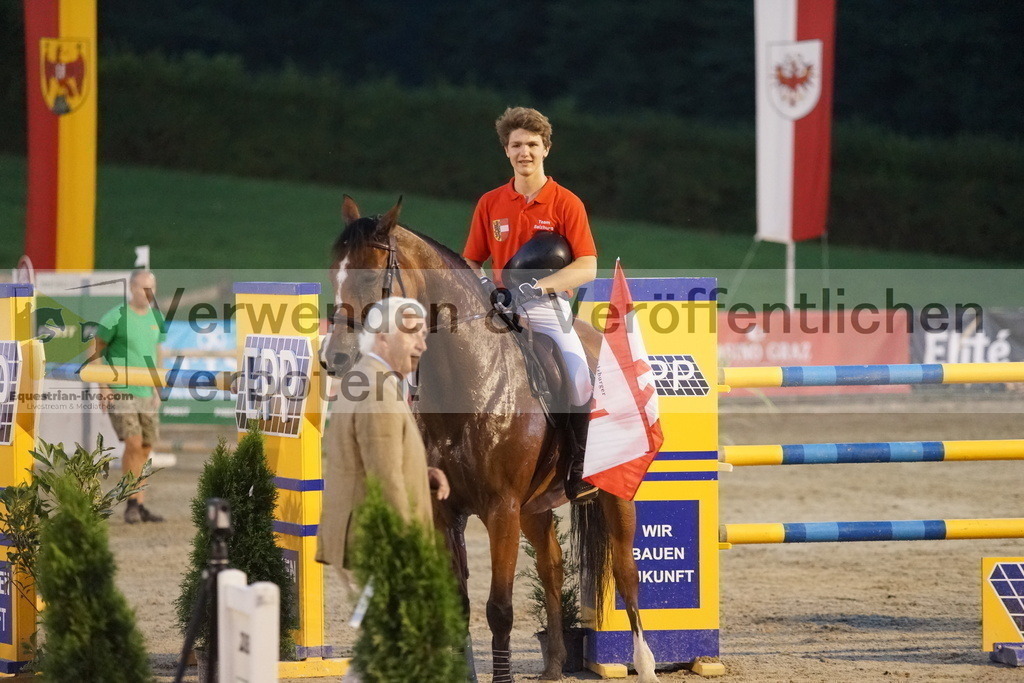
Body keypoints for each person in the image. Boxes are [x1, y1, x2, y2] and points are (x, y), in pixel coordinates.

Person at [462, 106, 599, 502]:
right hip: (498, 306)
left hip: (547, 306)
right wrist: (488, 286)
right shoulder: (490, 203)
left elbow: (587, 265)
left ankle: (579, 466)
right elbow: (471, 259)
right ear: (506, 151)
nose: (525, 152)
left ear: (546, 149)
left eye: (533, 145)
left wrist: (538, 287)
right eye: (517, 145)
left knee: (578, 373)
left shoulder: (566, 203)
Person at [316, 297, 450, 579]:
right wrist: (408, 547)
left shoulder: (365, 377)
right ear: (383, 337)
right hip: (382, 542)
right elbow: (385, 479)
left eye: (423, 335)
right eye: (412, 333)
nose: (422, 345)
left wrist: (418, 472)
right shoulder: (378, 393)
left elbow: (375, 458)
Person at [93, 269, 166, 524]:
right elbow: (95, 350)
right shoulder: (116, 316)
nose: (147, 294)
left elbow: (157, 351)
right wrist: (104, 388)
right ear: (131, 288)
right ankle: (131, 502)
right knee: (133, 444)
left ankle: (140, 503)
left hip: (146, 391)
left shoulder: (157, 317)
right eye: (141, 288)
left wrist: (158, 387)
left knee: (146, 447)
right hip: (121, 390)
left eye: (151, 289)